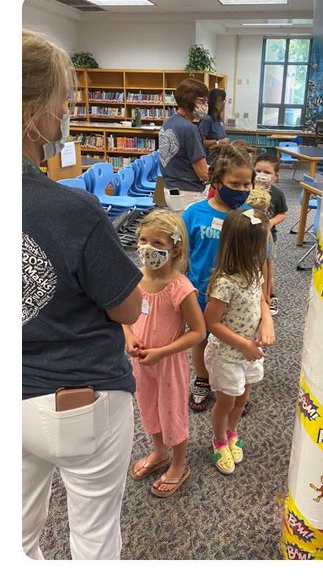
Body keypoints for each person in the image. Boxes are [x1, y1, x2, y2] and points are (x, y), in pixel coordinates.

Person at [23, 30, 142, 559]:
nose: (66, 115)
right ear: (33, 112)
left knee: (19, 536)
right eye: (63, 104)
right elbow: (128, 305)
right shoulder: (71, 211)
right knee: (94, 537)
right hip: (79, 397)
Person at [125, 209, 206, 498]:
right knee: (148, 407)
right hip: (141, 362)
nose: (148, 249)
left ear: (176, 248)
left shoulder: (180, 287)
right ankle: (159, 452)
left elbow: (198, 332)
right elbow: (125, 315)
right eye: (143, 240)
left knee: (171, 413)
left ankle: (179, 464)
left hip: (168, 363)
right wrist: (129, 335)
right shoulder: (135, 277)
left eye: (158, 244)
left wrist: (162, 352)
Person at [182, 141, 254, 412]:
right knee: (200, 338)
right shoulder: (194, 213)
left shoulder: (249, 216)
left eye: (247, 185)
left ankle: (231, 386)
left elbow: (259, 258)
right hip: (200, 291)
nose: (242, 190)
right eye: (235, 184)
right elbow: (182, 254)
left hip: (235, 297)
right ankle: (202, 379)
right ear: (217, 180)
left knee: (232, 340)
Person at [204, 207, 272, 474]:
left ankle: (232, 432)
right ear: (247, 247)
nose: (266, 250)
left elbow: (262, 301)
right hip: (227, 356)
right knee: (226, 402)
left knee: (243, 397)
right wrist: (243, 344)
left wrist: (267, 321)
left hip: (248, 353)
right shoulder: (224, 282)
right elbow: (211, 323)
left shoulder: (256, 270)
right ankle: (219, 440)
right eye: (263, 244)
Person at [160, 78, 211, 204]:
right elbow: (203, 174)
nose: (205, 106)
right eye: (202, 101)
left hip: (170, 188)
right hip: (188, 192)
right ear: (190, 99)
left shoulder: (168, 122)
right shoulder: (190, 129)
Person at [252, 153, 287, 314]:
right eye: (258, 171)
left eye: (267, 172)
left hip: (268, 237)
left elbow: (282, 213)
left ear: (275, 176)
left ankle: (270, 297)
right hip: (248, 235)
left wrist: (270, 222)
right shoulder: (247, 189)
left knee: (268, 269)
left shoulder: (277, 193)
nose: (262, 175)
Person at [245, 186, 277, 322]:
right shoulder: (238, 228)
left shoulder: (265, 232)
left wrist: (267, 293)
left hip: (256, 277)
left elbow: (267, 263)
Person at [198, 86, 230, 161]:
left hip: (219, 159)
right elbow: (200, 142)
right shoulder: (207, 120)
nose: (222, 104)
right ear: (212, 102)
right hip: (209, 161)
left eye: (223, 101)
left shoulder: (219, 120)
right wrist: (218, 142)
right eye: (219, 101)